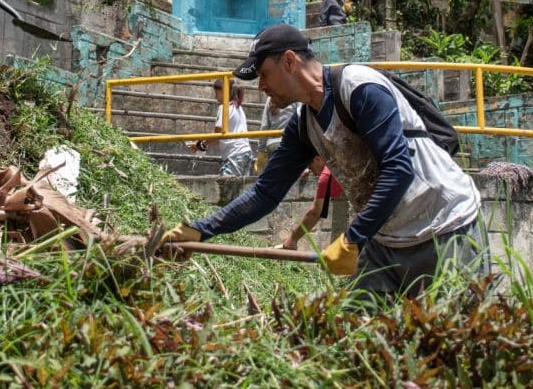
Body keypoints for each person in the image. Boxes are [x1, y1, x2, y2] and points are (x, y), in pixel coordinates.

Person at [164, 24, 485, 298]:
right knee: (354, 342)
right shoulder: (303, 126)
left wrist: (352, 238)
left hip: (446, 225)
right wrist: (199, 231)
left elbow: (398, 169)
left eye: (264, 74)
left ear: (289, 61)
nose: (261, 87)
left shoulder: (360, 87)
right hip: (385, 241)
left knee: (452, 346)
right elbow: (265, 195)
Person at [187, 79, 255, 176]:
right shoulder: (238, 108)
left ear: (224, 92)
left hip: (234, 154)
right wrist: (202, 144)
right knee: (240, 188)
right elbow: (221, 137)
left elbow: (217, 133)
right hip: (245, 153)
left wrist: (200, 144)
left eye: (216, 92)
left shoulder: (224, 108)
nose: (215, 96)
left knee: (227, 187)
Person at [280, 155, 345, 250]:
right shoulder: (335, 165)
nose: (311, 171)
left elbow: (315, 213)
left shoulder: (326, 174)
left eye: (310, 166)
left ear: (317, 159)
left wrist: (293, 238)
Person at [258, 96, 297, 172]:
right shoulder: (294, 97)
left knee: (274, 176)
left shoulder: (270, 98)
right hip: (289, 143)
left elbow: (264, 126)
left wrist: (261, 150)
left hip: (272, 145)